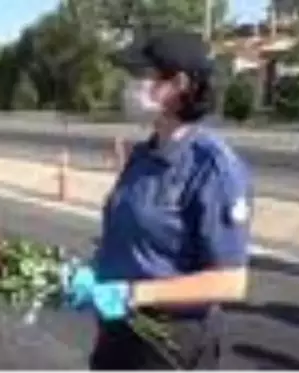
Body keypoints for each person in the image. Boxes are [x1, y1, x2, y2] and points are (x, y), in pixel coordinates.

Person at [63, 30, 252, 373]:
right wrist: (93, 274)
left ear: (178, 84)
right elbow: (127, 235)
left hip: (170, 340)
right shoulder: (144, 155)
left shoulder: (212, 166)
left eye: (141, 76)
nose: (129, 85)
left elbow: (230, 281)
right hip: (121, 330)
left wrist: (133, 294)